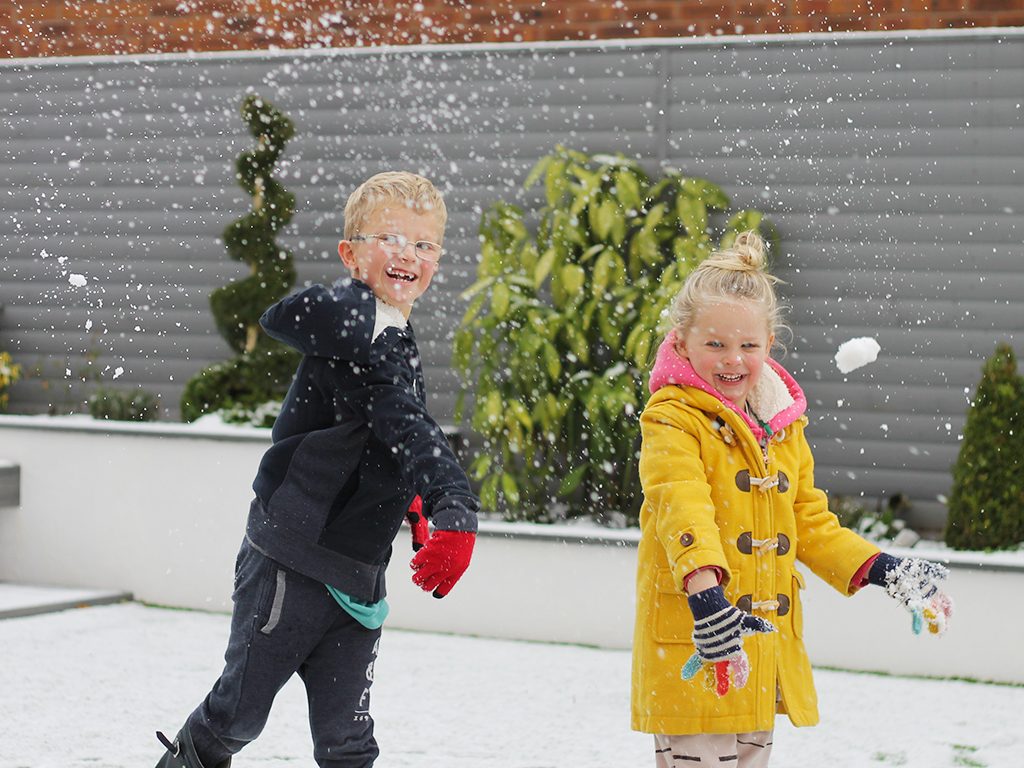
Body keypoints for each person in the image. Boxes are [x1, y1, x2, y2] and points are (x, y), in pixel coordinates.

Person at [154, 171, 479, 768]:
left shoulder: (393, 331)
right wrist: (452, 504)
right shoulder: (354, 321)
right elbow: (403, 419)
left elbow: (380, 429)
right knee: (237, 717)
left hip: (357, 574)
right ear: (351, 254)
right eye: (390, 237)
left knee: (348, 741)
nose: (408, 253)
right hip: (291, 562)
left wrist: (405, 497)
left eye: (425, 244)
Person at [631, 230, 953, 767]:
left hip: (760, 649)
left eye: (747, 346)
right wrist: (706, 593)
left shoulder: (781, 426)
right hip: (700, 638)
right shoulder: (671, 418)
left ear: (769, 346)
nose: (732, 359)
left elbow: (808, 521)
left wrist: (883, 569)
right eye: (715, 344)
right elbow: (679, 504)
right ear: (681, 342)